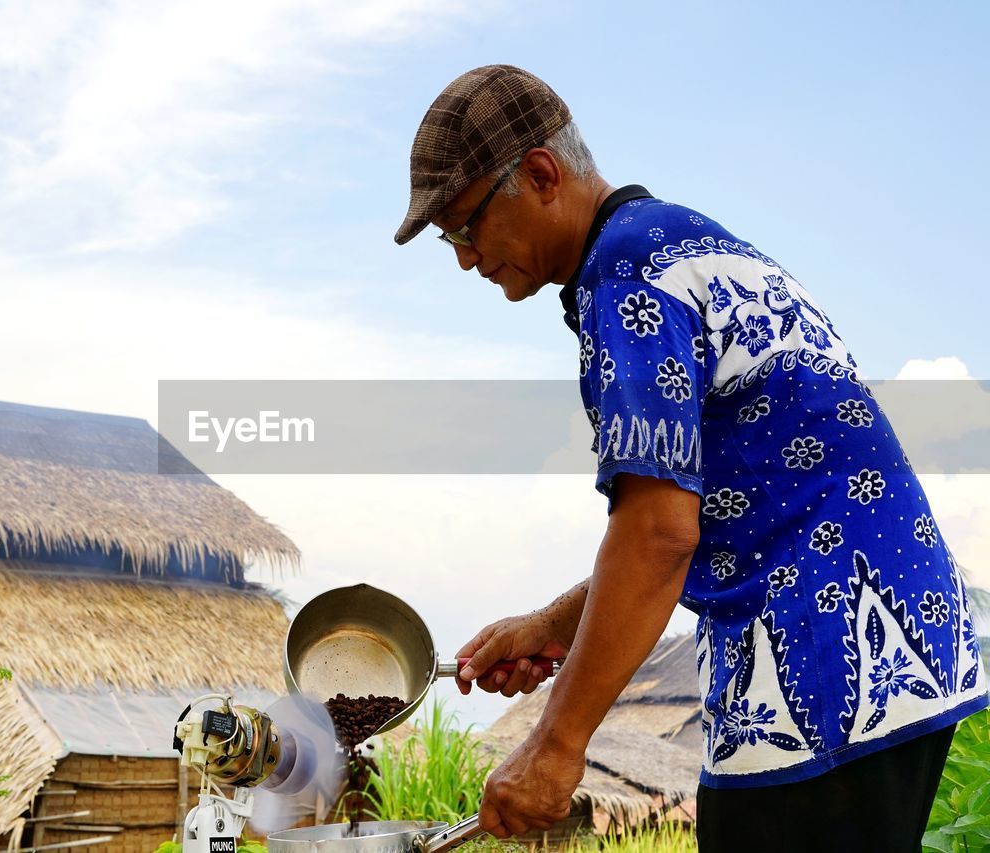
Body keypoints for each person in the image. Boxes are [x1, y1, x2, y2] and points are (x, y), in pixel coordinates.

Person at [394, 64, 988, 852]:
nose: (465, 258)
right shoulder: (681, 244)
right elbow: (714, 509)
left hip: (821, 666)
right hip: (906, 642)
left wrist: (554, 743)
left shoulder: (630, 280)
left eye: (467, 226)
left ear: (539, 173)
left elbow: (657, 535)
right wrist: (551, 624)